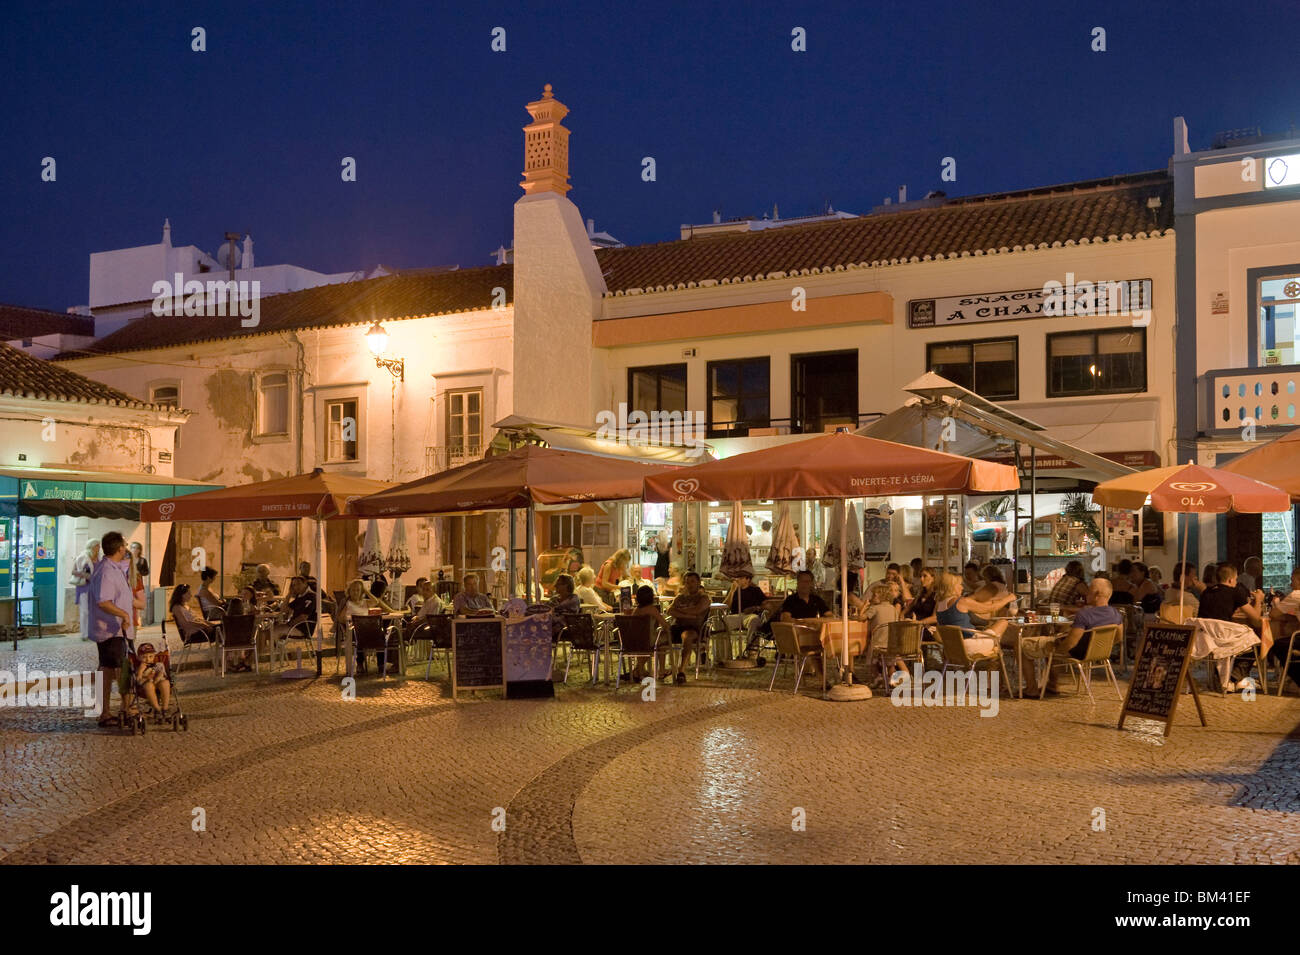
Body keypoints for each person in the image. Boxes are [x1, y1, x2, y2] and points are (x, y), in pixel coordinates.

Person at [1025, 578, 1122, 696]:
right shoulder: (1116, 614)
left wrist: (1057, 650)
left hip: (1078, 653)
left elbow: (1071, 643)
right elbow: (1118, 638)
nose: (1086, 593)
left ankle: (1031, 689)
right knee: (1054, 643)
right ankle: (1052, 685)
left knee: (1022, 645)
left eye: (1089, 590)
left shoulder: (1084, 615)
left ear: (1097, 594)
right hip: (1097, 653)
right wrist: (1099, 647)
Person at [90, 532, 135, 725]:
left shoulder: (113, 568)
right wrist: (124, 615)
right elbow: (104, 601)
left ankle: (106, 712)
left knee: (107, 670)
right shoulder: (107, 571)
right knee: (121, 669)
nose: (126, 548)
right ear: (119, 548)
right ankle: (127, 708)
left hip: (115, 630)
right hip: (112, 631)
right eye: (125, 545)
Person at [1199, 563, 1265, 690]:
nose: (1236, 582)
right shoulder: (1235, 592)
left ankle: (1224, 677)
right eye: (1235, 579)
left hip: (1206, 640)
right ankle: (1236, 677)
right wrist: (1258, 600)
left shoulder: (1205, 593)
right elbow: (1256, 619)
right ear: (1230, 580)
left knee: (1242, 640)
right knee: (1256, 642)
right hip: (1225, 639)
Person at [934, 570, 1016, 654]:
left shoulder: (939, 604)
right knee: (1003, 621)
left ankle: (994, 652)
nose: (962, 588)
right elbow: (990, 608)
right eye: (960, 584)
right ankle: (994, 654)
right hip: (968, 646)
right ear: (952, 586)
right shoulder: (961, 602)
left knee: (988, 633)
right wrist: (1009, 598)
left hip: (951, 648)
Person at [666, 571, 711, 684]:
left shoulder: (704, 598)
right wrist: (688, 614)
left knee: (687, 636)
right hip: (677, 626)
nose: (689, 585)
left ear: (698, 583)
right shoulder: (680, 597)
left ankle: (681, 671)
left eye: (692, 582)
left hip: (694, 628)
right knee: (660, 636)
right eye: (687, 582)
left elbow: (697, 610)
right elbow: (669, 610)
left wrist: (679, 612)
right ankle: (658, 670)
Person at [628, 584, 673, 683]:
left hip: (635, 641)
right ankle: (661, 670)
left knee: (654, 643)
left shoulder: (636, 610)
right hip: (648, 640)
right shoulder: (652, 609)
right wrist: (669, 625)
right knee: (663, 641)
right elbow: (664, 624)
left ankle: (639, 670)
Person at [71, 540, 101, 640]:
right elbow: (73, 571)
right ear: (91, 546)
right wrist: (86, 575)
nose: (98, 548)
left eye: (99, 546)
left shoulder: (99, 558)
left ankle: (93, 631)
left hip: (96, 587)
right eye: (97, 546)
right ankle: (84, 634)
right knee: (85, 611)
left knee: (95, 610)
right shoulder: (83, 557)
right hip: (84, 587)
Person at [131, 642, 171, 715]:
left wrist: (156, 679)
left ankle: (165, 708)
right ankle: (157, 708)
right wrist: (140, 671)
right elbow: (138, 680)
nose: (147, 659)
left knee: (165, 683)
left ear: (154, 656)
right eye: (144, 657)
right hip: (146, 686)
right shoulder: (139, 668)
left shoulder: (159, 665)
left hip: (158, 682)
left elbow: (162, 673)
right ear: (138, 658)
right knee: (149, 685)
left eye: (150, 656)